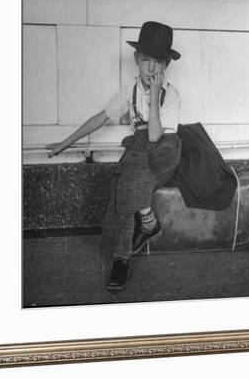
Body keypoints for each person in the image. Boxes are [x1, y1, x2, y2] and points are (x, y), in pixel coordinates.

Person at [46, 21, 182, 291]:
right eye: (146, 61)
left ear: (166, 64)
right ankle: (127, 250)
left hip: (165, 151)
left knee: (134, 167)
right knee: (126, 180)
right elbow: (100, 118)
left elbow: (155, 136)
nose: (151, 69)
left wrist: (154, 96)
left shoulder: (172, 94)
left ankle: (145, 227)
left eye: (157, 62)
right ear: (136, 60)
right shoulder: (128, 91)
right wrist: (66, 142)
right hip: (139, 153)